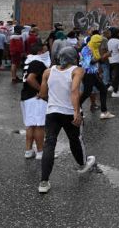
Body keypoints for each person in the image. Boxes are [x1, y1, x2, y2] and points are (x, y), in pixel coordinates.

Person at [37, 47, 96, 194]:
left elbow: (42, 94)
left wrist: (54, 103)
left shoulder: (48, 71)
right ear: (74, 58)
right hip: (69, 112)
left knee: (49, 143)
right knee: (75, 139)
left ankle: (44, 182)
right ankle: (82, 164)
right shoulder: (77, 70)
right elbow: (74, 90)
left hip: (52, 112)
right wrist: (76, 111)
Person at [21, 40, 50, 159]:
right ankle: (40, 152)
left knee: (30, 125)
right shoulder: (38, 62)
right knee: (39, 125)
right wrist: (41, 91)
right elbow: (30, 79)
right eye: (45, 50)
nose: (47, 52)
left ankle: (28, 151)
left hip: (27, 96)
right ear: (40, 52)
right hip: (35, 98)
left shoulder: (29, 60)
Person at [79, 36, 114, 120]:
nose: (99, 44)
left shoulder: (94, 48)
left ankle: (104, 112)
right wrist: (102, 57)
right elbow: (89, 62)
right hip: (87, 74)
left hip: (93, 73)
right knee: (87, 93)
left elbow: (98, 61)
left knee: (103, 90)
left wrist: (105, 56)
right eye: (98, 42)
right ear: (94, 42)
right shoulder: (86, 49)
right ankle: (77, 109)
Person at [106, 28, 119, 97]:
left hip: (112, 60)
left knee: (114, 75)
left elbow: (114, 49)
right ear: (117, 34)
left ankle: (112, 86)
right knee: (117, 77)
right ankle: (115, 92)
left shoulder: (110, 41)